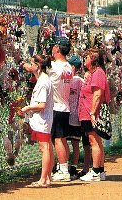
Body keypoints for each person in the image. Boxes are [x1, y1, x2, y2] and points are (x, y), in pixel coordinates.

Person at [18, 54, 54, 188]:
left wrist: (27, 108)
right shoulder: (42, 79)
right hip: (44, 119)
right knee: (47, 148)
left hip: (42, 120)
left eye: (32, 63)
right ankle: (47, 178)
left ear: (38, 66)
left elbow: (41, 105)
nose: (30, 65)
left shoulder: (43, 81)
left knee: (44, 148)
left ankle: (43, 179)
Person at [78, 48, 110, 182]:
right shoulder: (93, 73)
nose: (84, 59)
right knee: (96, 141)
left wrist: (92, 113)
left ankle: (96, 171)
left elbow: (97, 94)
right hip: (87, 112)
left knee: (94, 141)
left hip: (91, 112)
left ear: (93, 60)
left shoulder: (98, 73)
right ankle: (100, 170)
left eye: (87, 57)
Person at [48, 37, 73, 182]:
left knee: (58, 140)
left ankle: (63, 170)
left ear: (57, 49)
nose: (52, 49)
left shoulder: (54, 67)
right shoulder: (68, 66)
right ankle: (63, 167)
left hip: (57, 107)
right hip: (65, 107)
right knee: (62, 140)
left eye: (54, 47)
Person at [66, 55, 91, 179]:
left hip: (76, 116)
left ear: (74, 67)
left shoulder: (79, 81)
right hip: (66, 114)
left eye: (70, 65)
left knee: (75, 142)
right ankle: (64, 166)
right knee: (64, 142)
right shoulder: (65, 79)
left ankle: (74, 167)